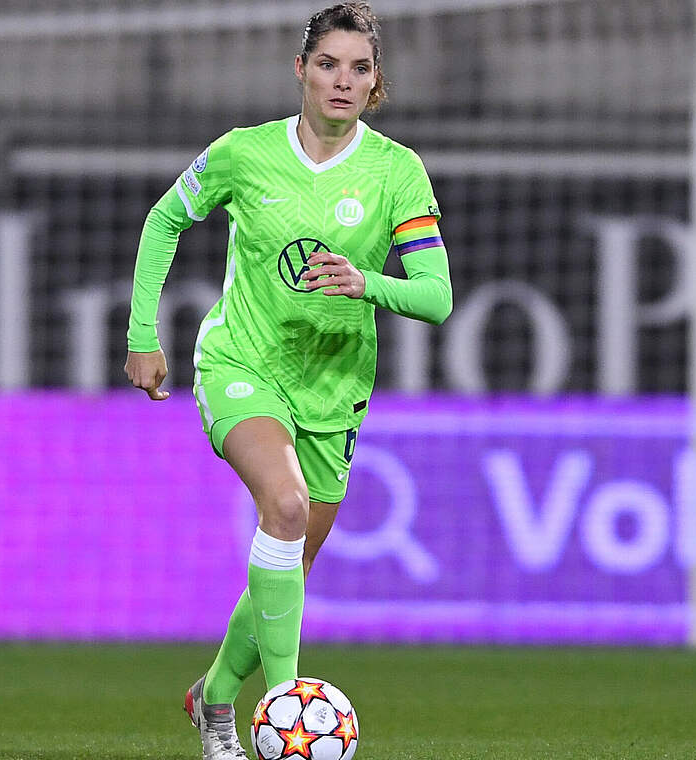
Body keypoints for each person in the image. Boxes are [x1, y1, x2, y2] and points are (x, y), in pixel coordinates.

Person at [124, 3, 452, 758]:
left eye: (359, 69)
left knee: (289, 561)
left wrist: (367, 282)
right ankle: (288, 712)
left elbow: (437, 298)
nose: (342, 80)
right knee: (286, 504)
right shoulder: (244, 153)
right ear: (301, 70)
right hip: (240, 363)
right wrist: (143, 335)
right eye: (328, 64)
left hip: (334, 390)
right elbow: (164, 220)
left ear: (375, 83)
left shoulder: (396, 172)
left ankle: (213, 698)